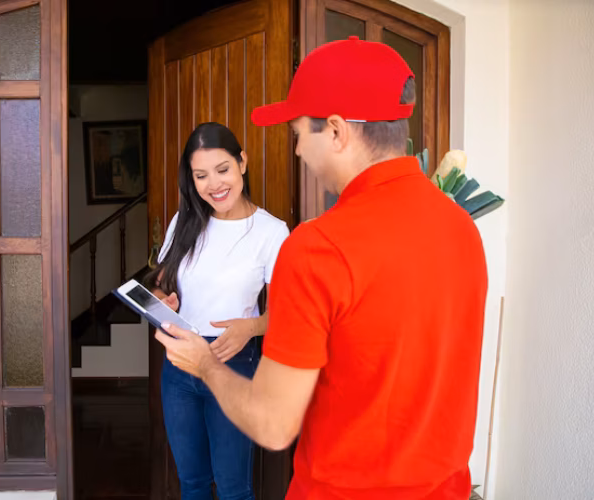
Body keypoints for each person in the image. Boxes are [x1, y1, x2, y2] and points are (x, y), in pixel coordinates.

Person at [156, 36, 488, 500]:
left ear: (335, 131)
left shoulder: (317, 247)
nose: (297, 153)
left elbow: (273, 426)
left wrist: (206, 366)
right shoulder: (461, 228)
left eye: (298, 135)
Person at [147, 122, 290, 500]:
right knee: (191, 483)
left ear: (242, 163)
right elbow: (164, 285)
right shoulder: (185, 222)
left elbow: (285, 314)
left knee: (233, 488)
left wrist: (252, 327)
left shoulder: (272, 232)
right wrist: (164, 299)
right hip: (179, 364)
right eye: (201, 175)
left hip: (234, 361)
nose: (214, 184)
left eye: (223, 169)